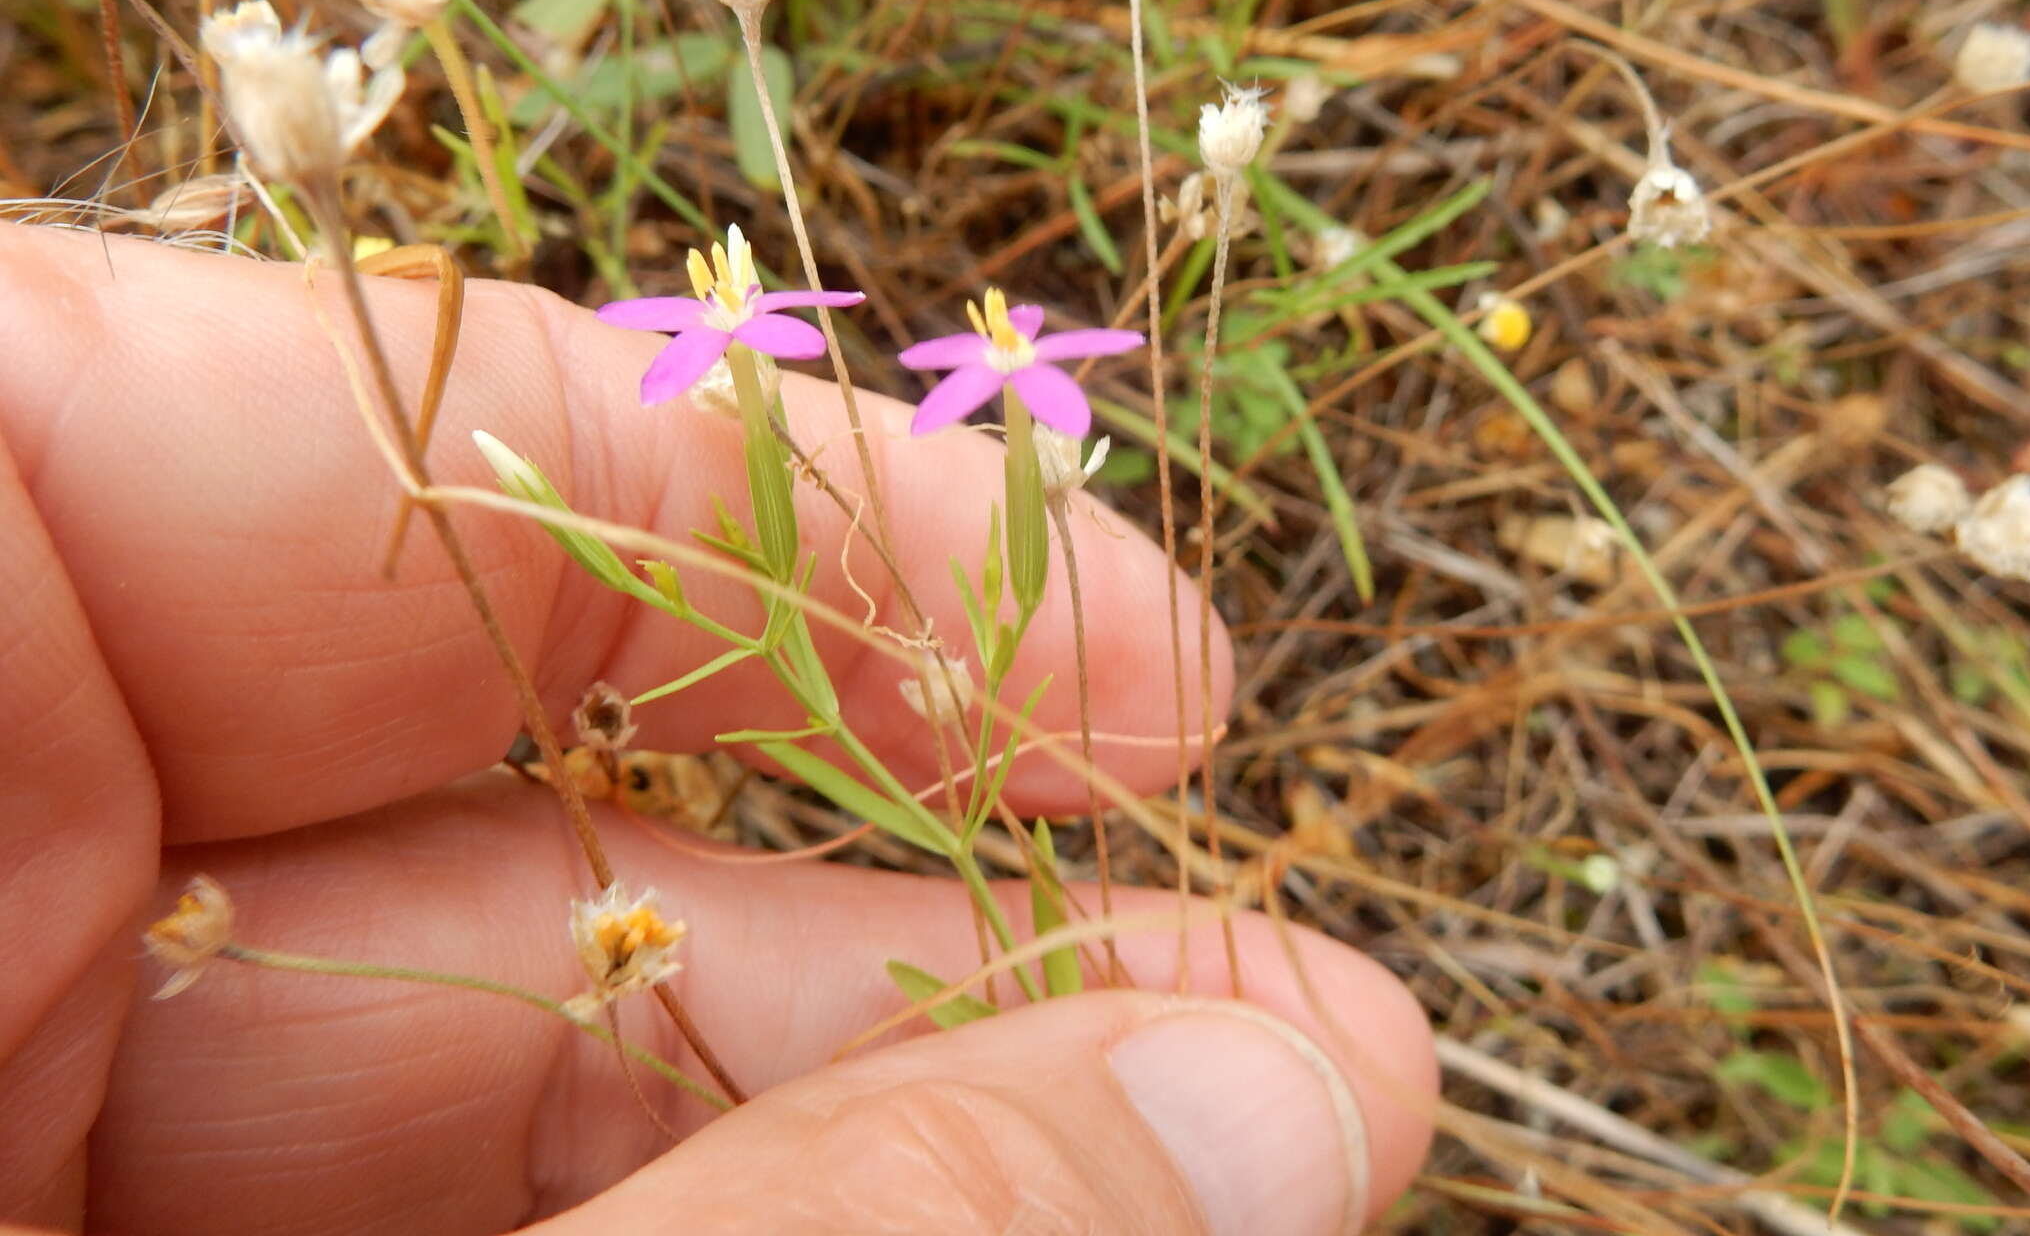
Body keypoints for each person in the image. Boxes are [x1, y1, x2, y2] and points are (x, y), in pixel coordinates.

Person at [0, 221, 1437, 1234]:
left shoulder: (927, 389)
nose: (729, 297)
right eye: (719, 296)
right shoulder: (732, 369)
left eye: (741, 292)